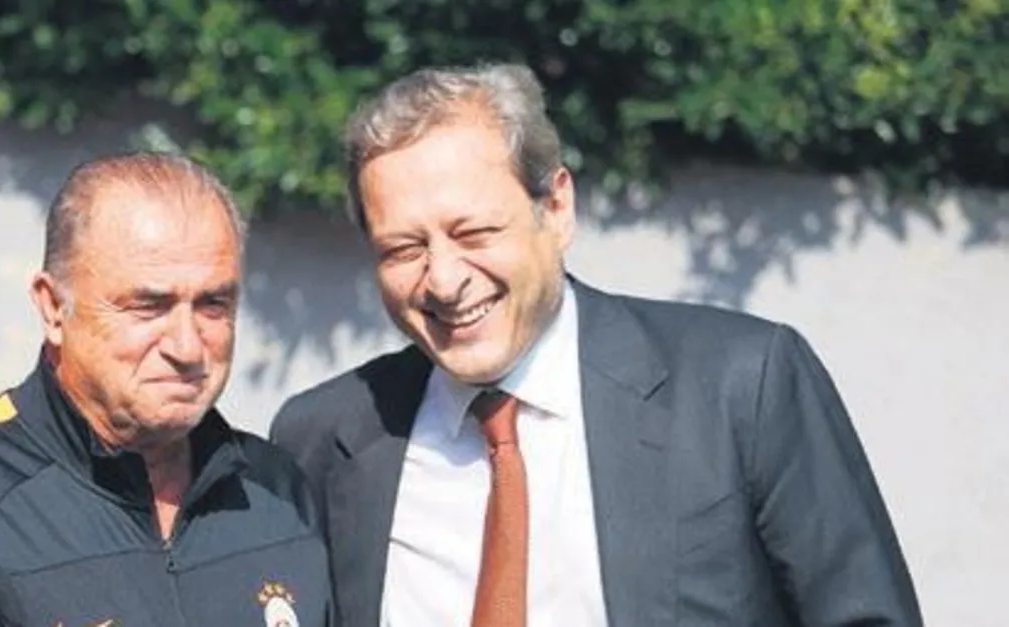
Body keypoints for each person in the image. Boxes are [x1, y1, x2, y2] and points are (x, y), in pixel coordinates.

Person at [269, 63, 922, 626]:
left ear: (556, 209)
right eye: (403, 248)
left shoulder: (740, 386)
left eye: (473, 233)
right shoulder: (321, 438)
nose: (443, 278)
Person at [0, 152, 330, 626]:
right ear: (53, 307)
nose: (187, 346)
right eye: (148, 306)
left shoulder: (275, 487)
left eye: (213, 304)